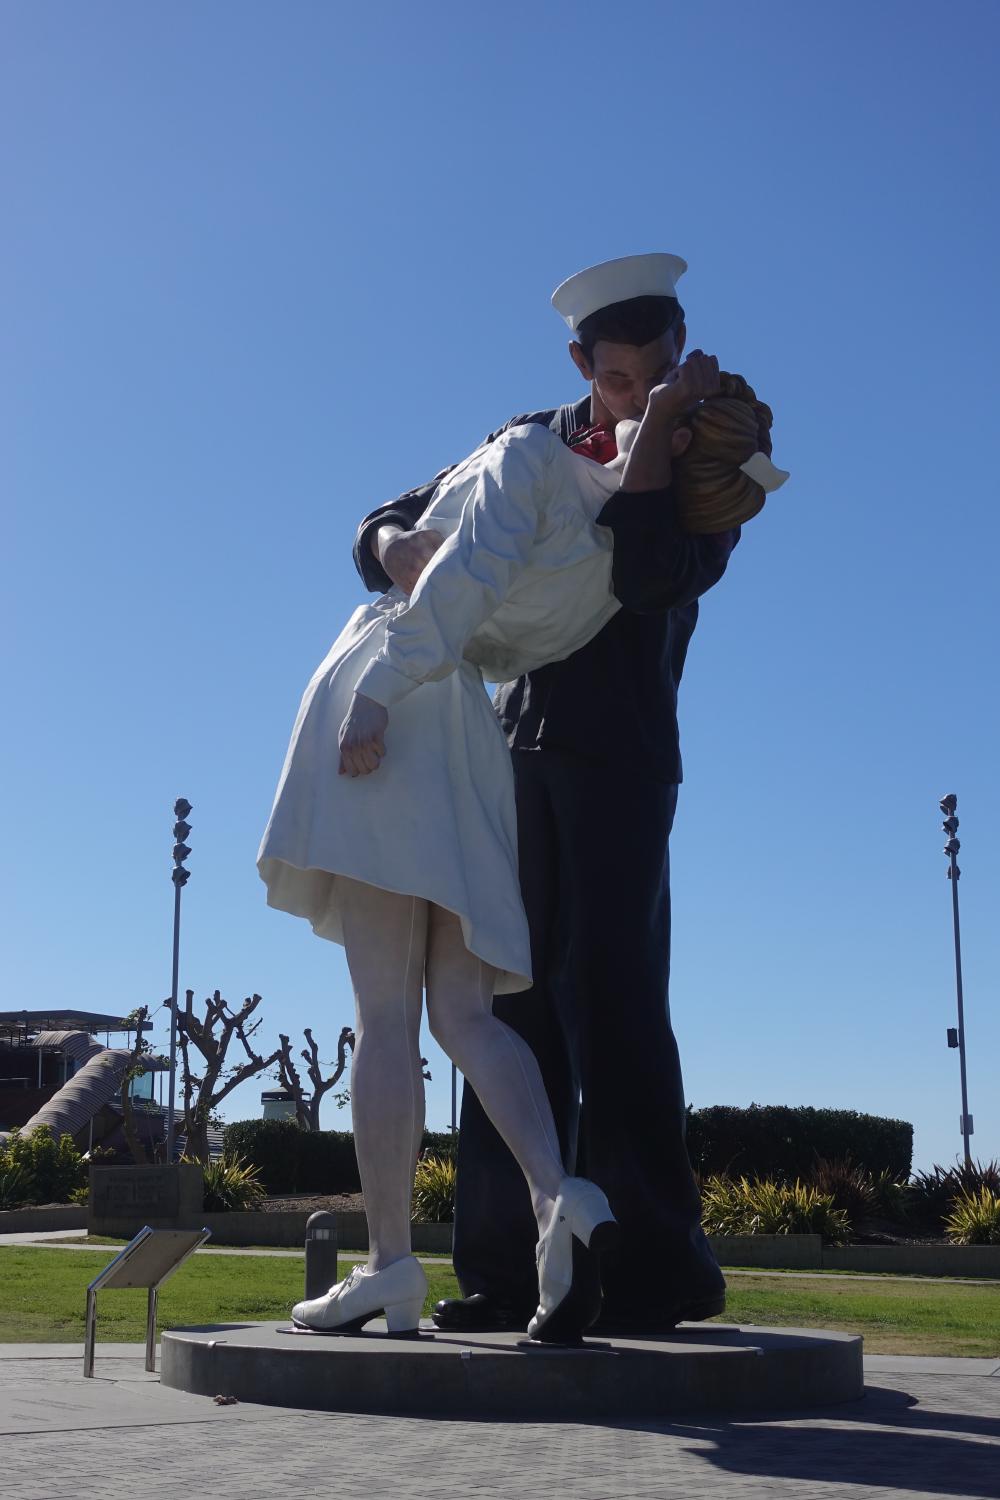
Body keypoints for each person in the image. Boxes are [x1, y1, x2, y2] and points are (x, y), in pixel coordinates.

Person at [257, 344, 765, 1341]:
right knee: (497, 1004)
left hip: (612, 753)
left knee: (611, 997)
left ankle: (648, 1263)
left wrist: (660, 444)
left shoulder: (695, 477)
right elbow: (391, 518)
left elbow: (649, 574)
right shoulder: (532, 438)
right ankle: (506, 1258)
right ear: (585, 361)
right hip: (500, 748)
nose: (632, 392)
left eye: (653, 373)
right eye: (616, 374)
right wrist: (397, 545)